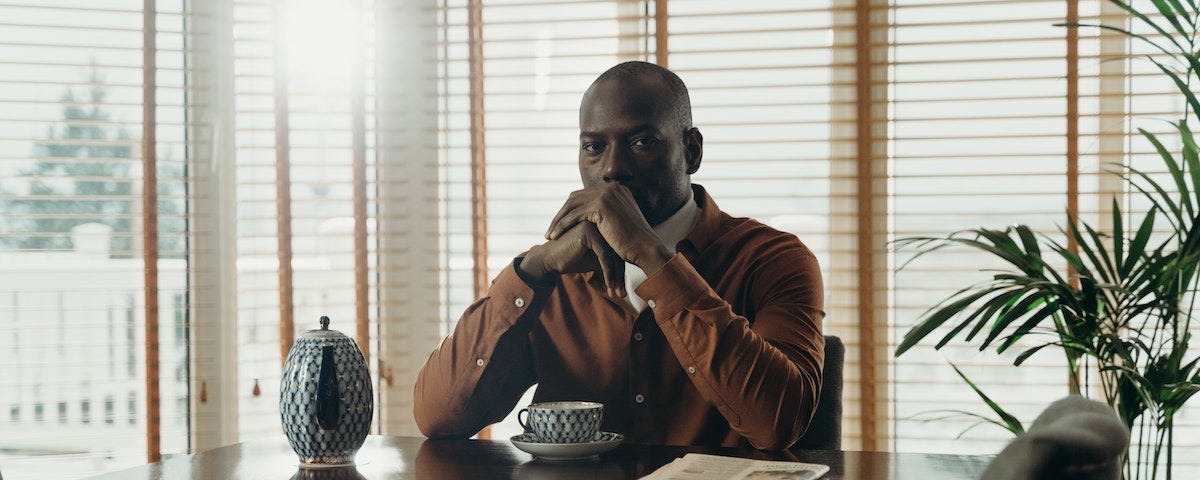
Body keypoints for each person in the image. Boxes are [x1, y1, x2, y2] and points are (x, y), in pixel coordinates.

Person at [413, 61, 825, 450]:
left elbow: (777, 424)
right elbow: (440, 418)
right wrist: (532, 268)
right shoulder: (551, 273)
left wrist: (653, 256)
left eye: (642, 142)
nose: (613, 169)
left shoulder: (773, 259)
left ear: (692, 151)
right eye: (594, 147)